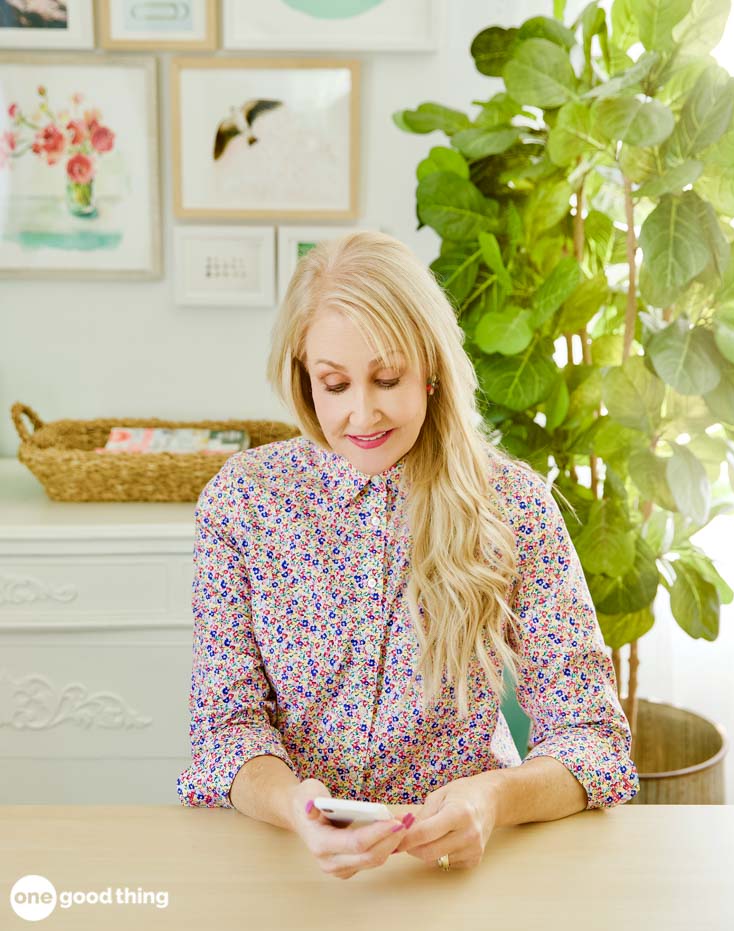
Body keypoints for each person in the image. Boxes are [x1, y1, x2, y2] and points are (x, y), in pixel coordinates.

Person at [176, 230, 639, 880]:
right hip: (284, 862)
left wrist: (491, 800)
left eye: (386, 377)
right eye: (334, 384)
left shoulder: (512, 503)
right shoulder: (244, 501)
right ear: (305, 383)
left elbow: (591, 739)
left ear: (429, 369)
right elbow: (225, 727)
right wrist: (291, 804)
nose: (361, 411)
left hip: (459, 867)